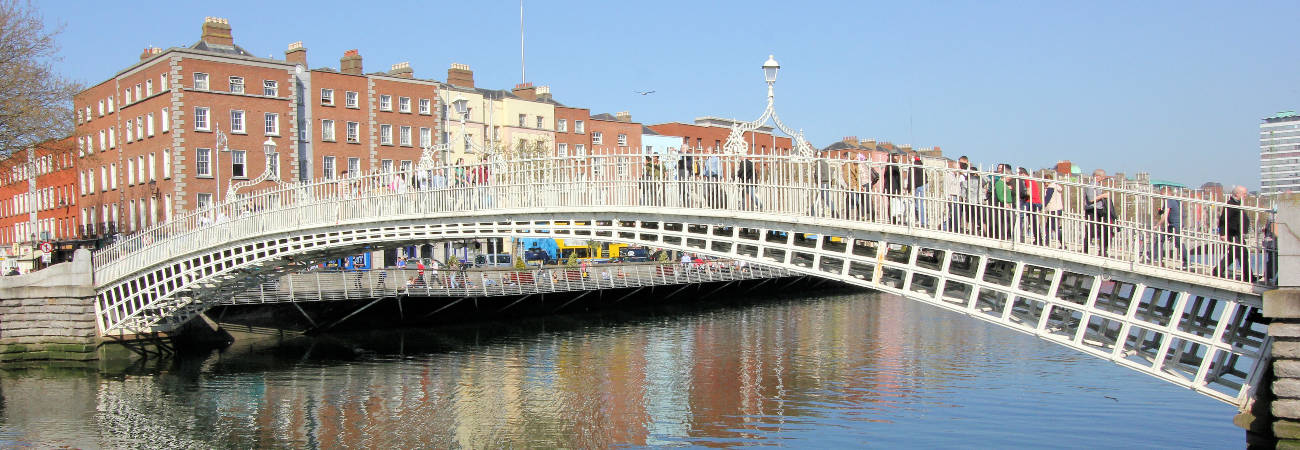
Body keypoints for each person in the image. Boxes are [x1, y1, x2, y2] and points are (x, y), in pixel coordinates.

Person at [1213, 185, 1251, 281]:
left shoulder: (1237, 203)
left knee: (1237, 254)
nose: (1245, 195)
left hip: (1237, 233)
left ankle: (1248, 276)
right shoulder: (1231, 204)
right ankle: (1248, 276)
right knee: (1240, 253)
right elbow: (1223, 219)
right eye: (1244, 194)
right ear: (1237, 194)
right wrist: (1222, 233)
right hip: (1233, 233)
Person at [1152, 186, 1186, 269]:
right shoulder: (1175, 200)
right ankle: (1156, 257)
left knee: (1176, 242)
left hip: (1175, 225)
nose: (1162, 197)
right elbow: (1164, 212)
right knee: (1161, 238)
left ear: (1166, 193)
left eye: (1162, 195)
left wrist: (1157, 225)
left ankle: (1186, 261)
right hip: (1174, 224)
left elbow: (1165, 216)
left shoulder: (1169, 200)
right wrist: (1160, 211)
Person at [1083, 169, 1114, 256]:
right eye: (1102, 177)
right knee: (1091, 230)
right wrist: (1103, 196)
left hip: (1100, 210)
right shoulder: (1091, 186)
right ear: (1097, 176)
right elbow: (1091, 199)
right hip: (1092, 210)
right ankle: (1086, 249)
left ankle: (1103, 250)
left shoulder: (1098, 185)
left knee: (1105, 230)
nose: (1103, 179)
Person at [990, 164, 1016, 240]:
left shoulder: (1004, 184)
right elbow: (1000, 195)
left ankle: (1007, 236)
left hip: (1008, 204)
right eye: (1009, 176)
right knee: (1005, 222)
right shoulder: (999, 183)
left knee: (1010, 221)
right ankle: (1003, 236)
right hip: (1004, 204)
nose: (1010, 178)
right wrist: (1005, 202)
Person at [1018, 167, 1043, 245]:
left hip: (1031, 202)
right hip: (1036, 201)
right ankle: (1038, 239)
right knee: (1033, 222)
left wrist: (1022, 196)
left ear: (1022, 174)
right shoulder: (1032, 180)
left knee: (1020, 217)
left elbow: (1028, 192)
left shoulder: (1027, 180)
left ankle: (1018, 236)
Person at [1043, 172, 1064, 248]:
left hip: (1053, 209)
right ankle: (1047, 241)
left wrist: (1043, 206)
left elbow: (1047, 199)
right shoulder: (1056, 187)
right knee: (1048, 226)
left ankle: (1062, 242)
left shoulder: (1050, 188)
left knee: (1054, 227)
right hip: (1058, 208)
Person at [883, 153, 905, 224]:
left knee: (892, 203)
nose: (897, 157)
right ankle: (893, 219)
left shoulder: (888, 165)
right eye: (895, 156)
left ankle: (893, 218)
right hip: (893, 187)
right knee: (894, 204)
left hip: (891, 187)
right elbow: (897, 178)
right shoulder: (893, 165)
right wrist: (900, 189)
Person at [912, 156, 929, 227]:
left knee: (918, 205)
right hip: (923, 184)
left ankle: (922, 221)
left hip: (919, 186)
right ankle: (923, 220)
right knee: (920, 204)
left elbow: (912, 177)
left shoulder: (914, 165)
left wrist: (910, 188)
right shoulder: (920, 164)